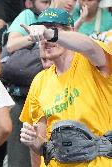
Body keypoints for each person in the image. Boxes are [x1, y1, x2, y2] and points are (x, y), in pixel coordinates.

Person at [19, 7, 112, 167]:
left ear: (71, 31)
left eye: (54, 28)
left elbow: (89, 46)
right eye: (41, 33)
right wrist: (33, 141)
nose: (45, 38)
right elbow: (42, 146)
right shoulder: (39, 81)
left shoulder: (90, 59)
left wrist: (51, 34)